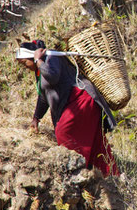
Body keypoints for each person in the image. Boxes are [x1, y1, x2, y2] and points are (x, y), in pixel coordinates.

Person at [16, 40, 119, 176]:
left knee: (64, 133)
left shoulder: (52, 57)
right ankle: (109, 176)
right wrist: (36, 118)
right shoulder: (39, 71)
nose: (26, 67)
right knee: (95, 142)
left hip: (81, 99)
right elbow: (43, 97)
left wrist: (38, 61)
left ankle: (76, 172)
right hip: (74, 103)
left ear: (33, 55)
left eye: (25, 63)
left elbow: (52, 77)